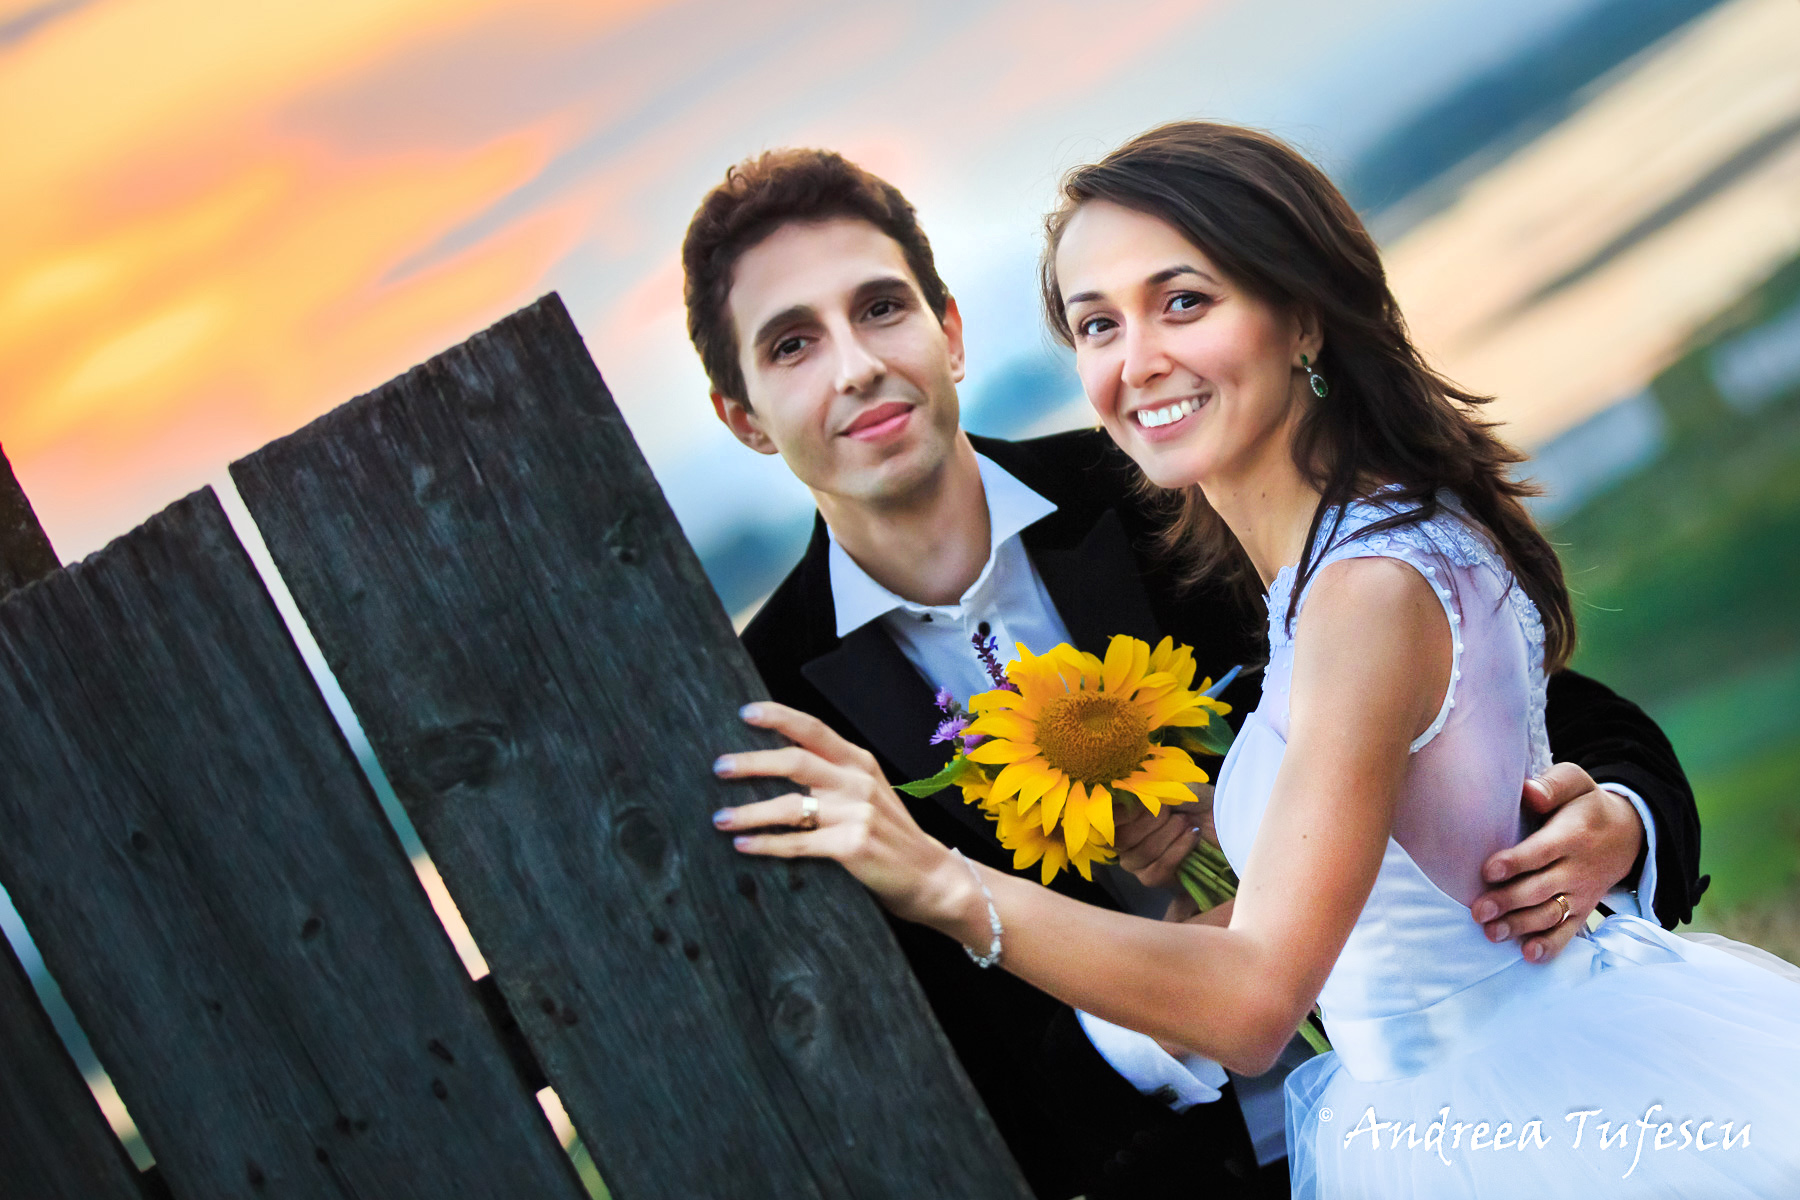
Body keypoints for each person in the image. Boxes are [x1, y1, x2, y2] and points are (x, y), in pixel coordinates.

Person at [685, 143, 1716, 1197]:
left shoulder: (1170, 480)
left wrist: (1623, 823)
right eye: (793, 344)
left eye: (880, 309)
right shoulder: (770, 710)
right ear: (743, 417)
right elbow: (896, 1066)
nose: (856, 365)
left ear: (948, 332)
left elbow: (1519, 704)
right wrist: (1154, 1019)